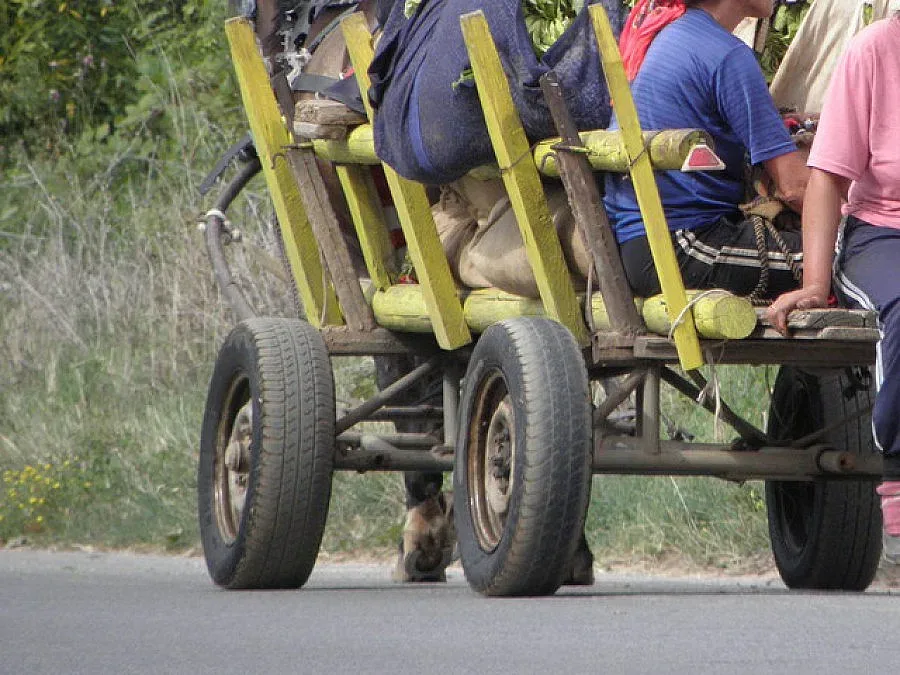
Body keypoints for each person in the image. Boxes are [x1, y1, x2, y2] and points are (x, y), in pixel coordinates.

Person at [766, 13, 900, 562]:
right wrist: (815, 283)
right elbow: (827, 179)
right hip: (883, 233)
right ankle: (898, 486)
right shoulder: (873, 51)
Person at [604, 0, 809, 299]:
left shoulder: (670, 34)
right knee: (842, 256)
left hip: (645, 243)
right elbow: (796, 188)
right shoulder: (727, 54)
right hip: (682, 246)